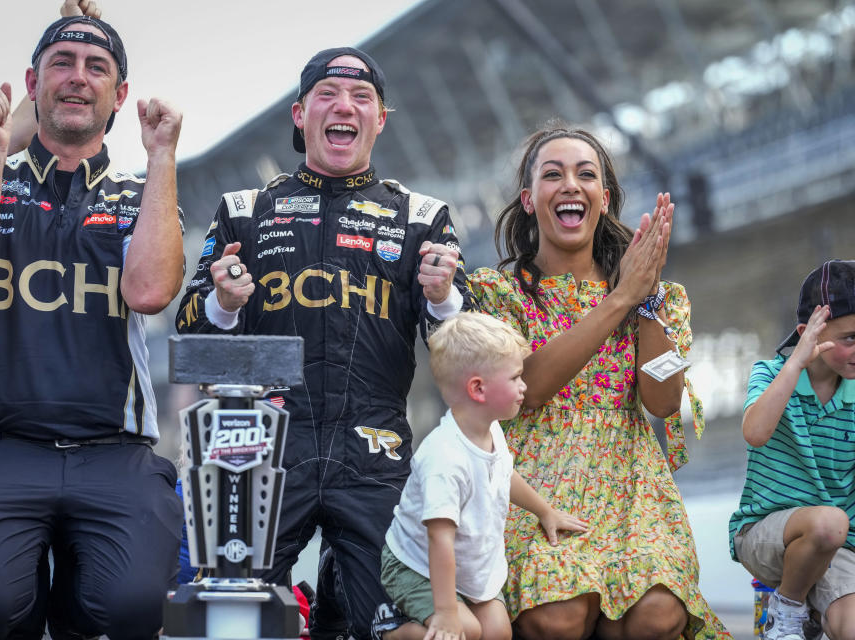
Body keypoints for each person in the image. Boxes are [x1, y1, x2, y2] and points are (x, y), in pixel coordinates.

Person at [175, 46, 474, 640]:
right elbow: (192, 341)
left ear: (380, 119)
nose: (345, 107)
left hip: (374, 451)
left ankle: (333, 599)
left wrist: (443, 298)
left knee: (412, 632)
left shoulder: (421, 217)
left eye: (361, 98)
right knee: (224, 627)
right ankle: (316, 604)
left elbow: (471, 354)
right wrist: (223, 304)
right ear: (299, 113)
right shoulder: (245, 210)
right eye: (328, 96)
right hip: (257, 448)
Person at [0, 10, 185, 639]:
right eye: (61, 65)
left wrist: (163, 156)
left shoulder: (141, 192)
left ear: (120, 94)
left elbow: (152, 291)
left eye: (97, 68)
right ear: (33, 82)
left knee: (132, 608)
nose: (78, 79)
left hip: (114, 452)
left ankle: (73, 604)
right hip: (1, 449)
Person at [468, 124, 730, 640]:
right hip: (533, 482)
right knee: (556, 618)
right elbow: (531, 388)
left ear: (603, 199)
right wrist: (619, 300)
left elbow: (660, 401)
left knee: (657, 615)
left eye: (585, 175)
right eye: (553, 175)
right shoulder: (496, 294)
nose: (570, 184)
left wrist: (646, 298)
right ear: (528, 199)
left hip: (629, 482)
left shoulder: (657, 298)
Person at [380, 312, 587, 640]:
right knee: (464, 634)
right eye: (516, 377)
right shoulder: (444, 459)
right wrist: (447, 614)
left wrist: (545, 511)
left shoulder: (489, 428)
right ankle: (392, 632)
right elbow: (439, 541)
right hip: (416, 567)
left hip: (467, 566)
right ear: (478, 389)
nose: (524, 386)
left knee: (497, 633)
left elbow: (503, 473)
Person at [730, 259, 855, 640]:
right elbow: (755, 432)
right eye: (849, 338)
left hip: (839, 545)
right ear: (808, 334)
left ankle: (814, 616)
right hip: (767, 533)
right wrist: (797, 362)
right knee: (828, 522)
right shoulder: (770, 373)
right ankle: (786, 609)